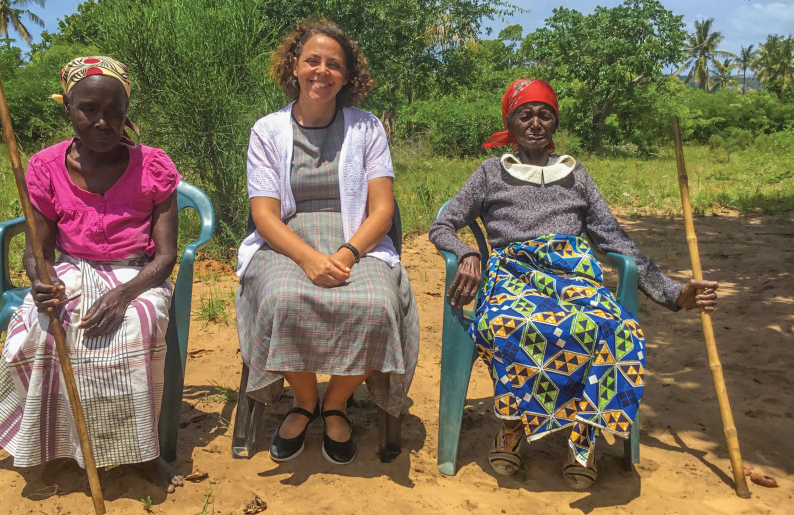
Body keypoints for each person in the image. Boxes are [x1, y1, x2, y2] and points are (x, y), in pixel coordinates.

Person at [429, 79, 718, 489]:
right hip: (514, 278)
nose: (535, 123)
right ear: (510, 123)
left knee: (616, 328)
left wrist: (672, 292)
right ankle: (512, 426)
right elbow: (442, 225)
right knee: (509, 323)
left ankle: (584, 438)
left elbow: (614, 240)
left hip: (573, 278)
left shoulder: (575, 174)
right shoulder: (491, 172)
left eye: (544, 115)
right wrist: (467, 253)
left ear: (555, 123)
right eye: (524, 115)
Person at [0, 56, 185, 493]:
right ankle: (56, 443)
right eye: (89, 110)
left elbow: (167, 256)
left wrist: (124, 294)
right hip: (72, 267)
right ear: (69, 109)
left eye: (114, 112)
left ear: (126, 114)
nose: (102, 122)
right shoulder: (45, 167)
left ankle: (143, 452)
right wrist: (43, 283)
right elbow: (37, 252)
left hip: (139, 272)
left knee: (137, 325)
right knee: (42, 326)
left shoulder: (153, 165)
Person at [236, 20, 419, 465]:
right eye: (312, 61)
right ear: (294, 66)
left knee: (377, 304)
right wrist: (309, 259)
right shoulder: (267, 130)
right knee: (280, 299)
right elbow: (264, 214)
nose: (322, 71)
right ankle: (305, 401)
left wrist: (346, 254)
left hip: (357, 239)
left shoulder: (367, 128)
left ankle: (335, 402)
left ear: (348, 75)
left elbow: (381, 210)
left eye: (334, 64)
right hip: (286, 240)